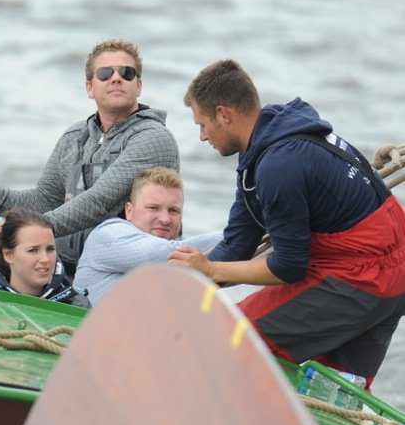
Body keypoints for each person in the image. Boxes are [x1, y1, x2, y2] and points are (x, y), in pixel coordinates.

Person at [169, 59, 405, 387]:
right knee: (331, 393)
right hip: (388, 276)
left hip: (364, 276)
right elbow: (238, 244)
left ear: (224, 114)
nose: (201, 136)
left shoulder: (279, 166)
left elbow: (289, 267)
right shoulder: (266, 147)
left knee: (230, 340)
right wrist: (179, 287)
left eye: (203, 124)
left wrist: (211, 272)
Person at [0, 38, 180, 272]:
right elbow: (44, 201)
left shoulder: (153, 139)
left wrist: (20, 232)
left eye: (126, 73)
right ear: (89, 88)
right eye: (105, 73)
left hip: (127, 274)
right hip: (66, 270)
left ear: (138, 86)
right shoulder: (75, 137)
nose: (116, 79)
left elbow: (99, 202)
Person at [74, 167, 222, 305]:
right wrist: (241, 233)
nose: (165, 219)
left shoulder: (187, 250)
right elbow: (161, 254)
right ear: (129, 211)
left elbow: (223, 272)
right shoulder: (110, 234)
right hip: (79, 328)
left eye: (173, 211)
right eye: (153, 208)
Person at [0, 208, 90, 307]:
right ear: (8, 255)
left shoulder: (79, 306)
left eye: (50, 249)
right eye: (33, 250)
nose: (45, 259)